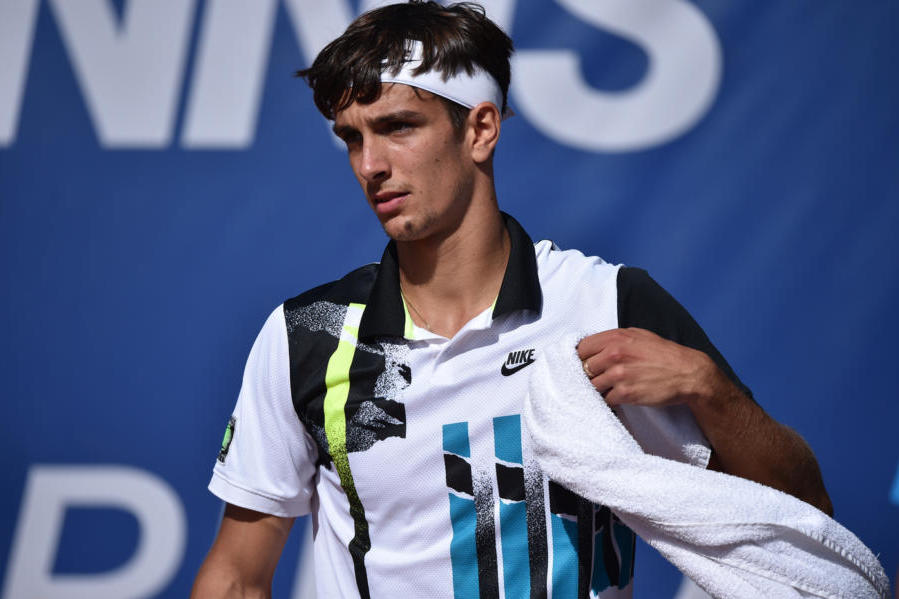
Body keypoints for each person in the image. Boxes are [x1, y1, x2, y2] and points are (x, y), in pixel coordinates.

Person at [191, 2, 832, 597]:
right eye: (352, 138)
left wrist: (709, 390)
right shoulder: (309, 335)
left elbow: (804, 521)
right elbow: (237, 575)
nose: (369, 165)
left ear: (481, 129)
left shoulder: (606, 304)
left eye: (397, 127)